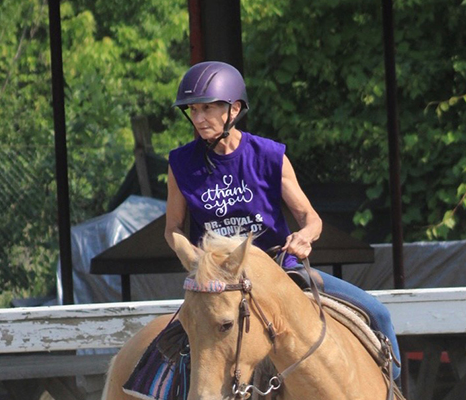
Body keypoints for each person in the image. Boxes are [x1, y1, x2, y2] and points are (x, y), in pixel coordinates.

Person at [164, 61, 401, 380]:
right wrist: (194, 260)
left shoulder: (269, 155)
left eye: (208, 108)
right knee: (162, 353)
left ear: (234, 109)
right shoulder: (180, 163)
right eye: (193, 110)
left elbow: (310, 218)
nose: (199, 118)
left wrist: (304, 237)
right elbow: (173, 229)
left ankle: (394, 388)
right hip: (219, 281)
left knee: (378, 312)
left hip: (280, 270)